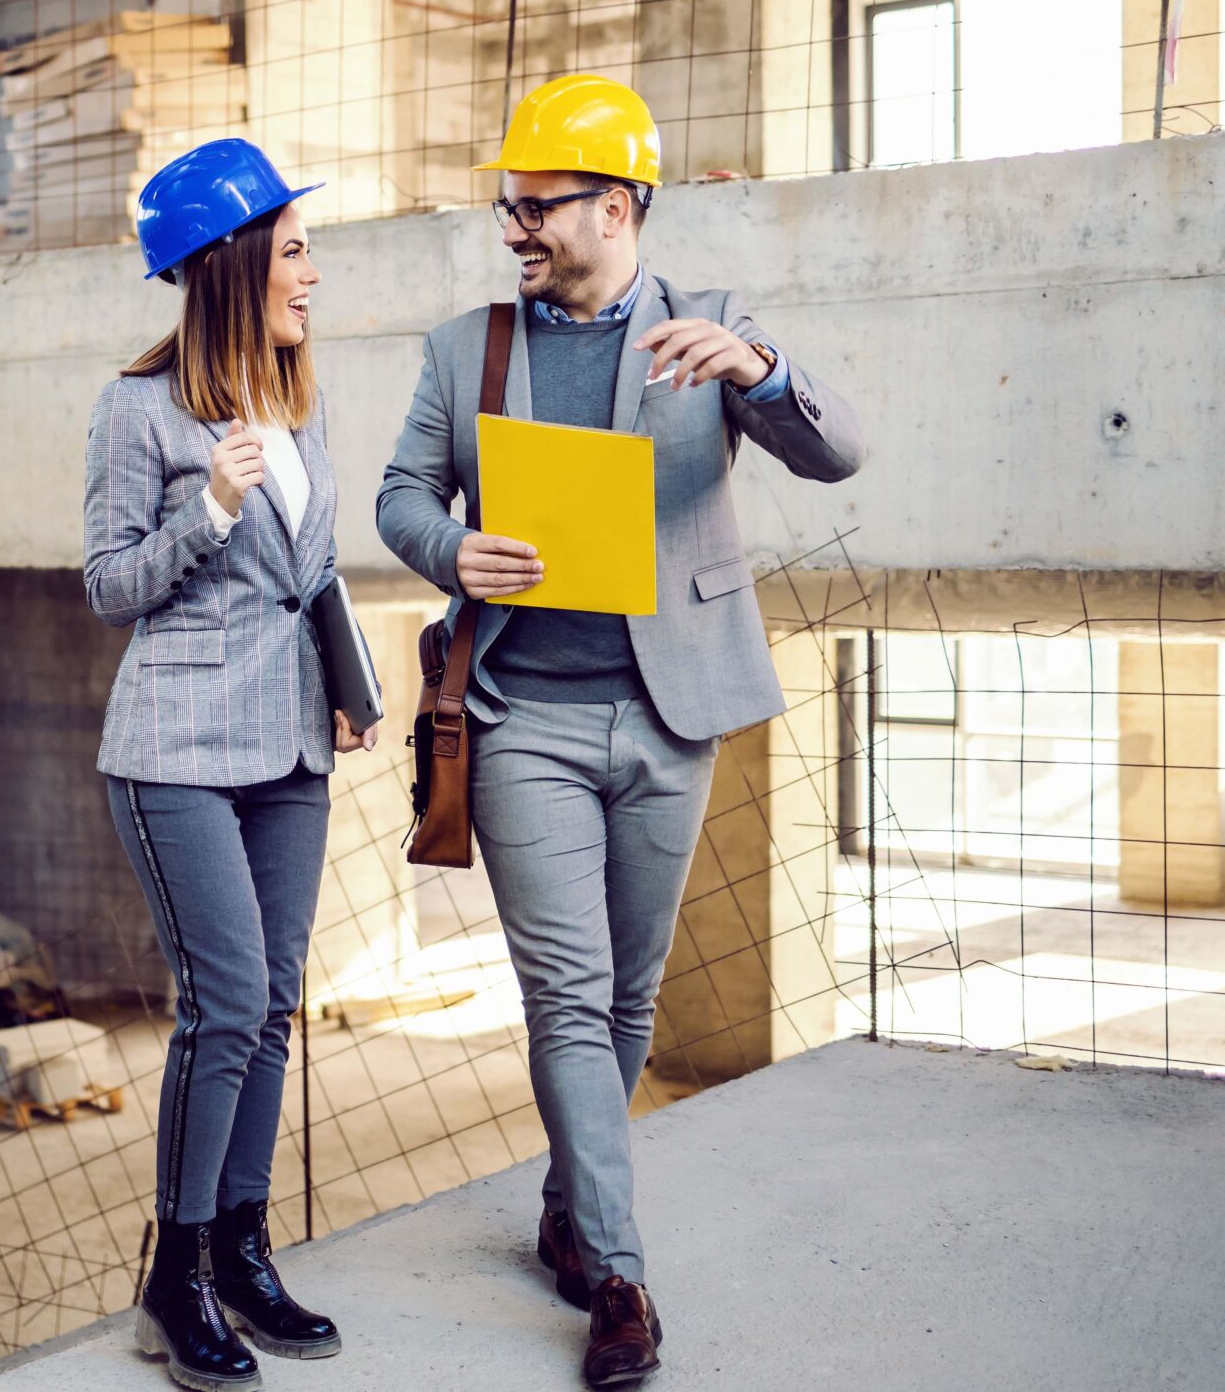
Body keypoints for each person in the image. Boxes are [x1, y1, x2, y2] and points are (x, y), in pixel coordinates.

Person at [376, 75, 867, 1388]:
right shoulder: (464, 348)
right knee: (566, 991)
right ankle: (620, 1277)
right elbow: (400, 496)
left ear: (616, 205)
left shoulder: (708, 329)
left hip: (674, 711)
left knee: (628, 997)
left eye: (537, 207)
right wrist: (454, 550)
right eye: (510, 206)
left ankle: (569, 1209)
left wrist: (760, 373)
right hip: (524, 713)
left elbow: (841, 454)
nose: (515, 227)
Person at [85, 137, 379, 1392]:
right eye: (295, 247)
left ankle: (245, 1253)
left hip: (292, 738)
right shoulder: (137, 407)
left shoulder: (304, 393)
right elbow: (105, 587)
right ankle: (178, 1271)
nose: (312, 270)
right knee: (222, 996)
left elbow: (314, 573)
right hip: (177, 745)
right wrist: (199, 513)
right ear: (232, 261)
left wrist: (354, 689)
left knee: (270, 1004)